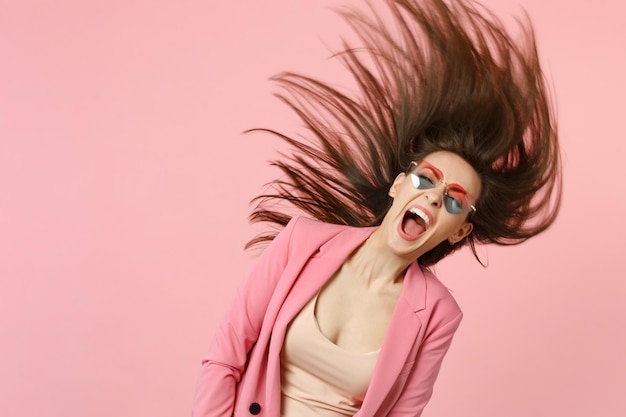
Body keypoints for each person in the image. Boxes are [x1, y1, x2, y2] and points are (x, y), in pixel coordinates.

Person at [192, 0, 561, 416]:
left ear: (458, 230)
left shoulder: (438, 314)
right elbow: (225, 356)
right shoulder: (300, 241)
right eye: (426, 179)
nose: (435, 197)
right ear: (399, 186)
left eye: (454, 199)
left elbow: (403, 413)